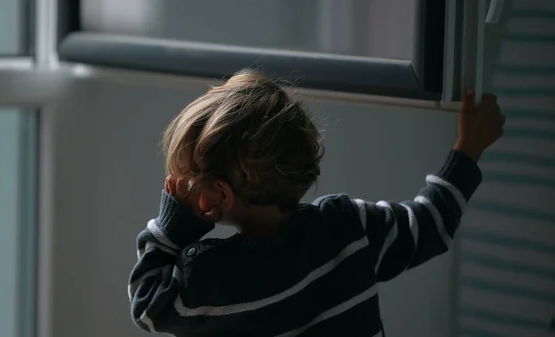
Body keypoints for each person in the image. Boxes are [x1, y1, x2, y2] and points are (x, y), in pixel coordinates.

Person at [128, 69, 505, 336]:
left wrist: (176, 225)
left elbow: (147, 304)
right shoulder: (346, 225)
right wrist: (468, 147)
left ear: (221, 195)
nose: (178, 188)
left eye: (185, 181)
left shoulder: (213, 277)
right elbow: (432, 223)